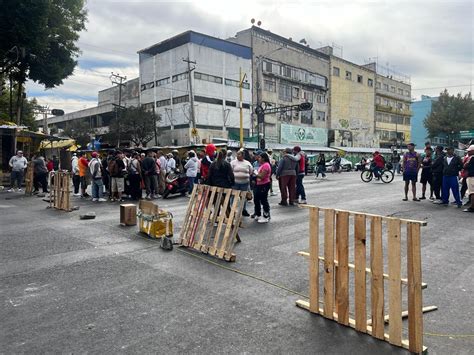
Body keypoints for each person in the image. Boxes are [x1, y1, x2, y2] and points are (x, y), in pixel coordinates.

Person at [231, 149, 253, 217]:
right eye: (237, 154)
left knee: (243, 197)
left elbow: (251, 171)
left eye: (239, 154)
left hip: (244, 183)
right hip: (235, 183)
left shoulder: (247, 163)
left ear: (243, 155)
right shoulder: (233, 162)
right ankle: (232, 210)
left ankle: (243, 210)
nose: (237, 155)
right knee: (233, 196)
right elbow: (231, 171)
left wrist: (245, 176)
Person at [253, 152, 272, 223]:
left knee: (263, 200)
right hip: (259, 184)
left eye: (260, 157)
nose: (258, 158)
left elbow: (262, 176)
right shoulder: (262, 165)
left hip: (264, 184)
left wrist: (255, 173)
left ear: (263, 158)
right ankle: (258, 214)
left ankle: (266, 216)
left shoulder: (266, 165)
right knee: (256, 199)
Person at [462, 145, 474, 212]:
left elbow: (465, 166)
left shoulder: (472, 158)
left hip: (472, 176)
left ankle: (472, 207)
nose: (468, 152)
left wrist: (465, 164)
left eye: (469, 151)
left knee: (472, 192)